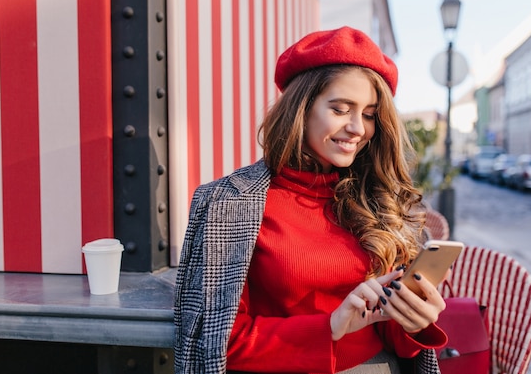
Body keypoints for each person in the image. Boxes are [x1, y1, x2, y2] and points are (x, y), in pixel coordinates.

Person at [174, 26, 448, 374]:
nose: (358, 128)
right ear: (300, 108)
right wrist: (329, 328)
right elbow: (212, 342)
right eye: (340, 109)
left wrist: (414, 321)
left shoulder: (378, 198)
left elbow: (390, 332)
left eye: (368, 114)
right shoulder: (229, 202)